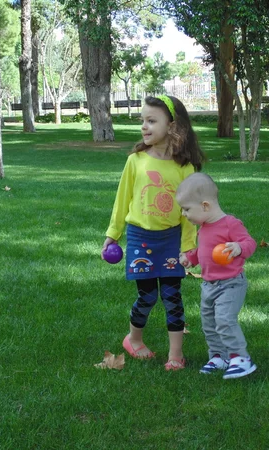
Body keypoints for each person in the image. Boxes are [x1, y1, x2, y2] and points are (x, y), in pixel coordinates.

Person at [102, 95, 205, 371]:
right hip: (140, 238)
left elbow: (189, 214)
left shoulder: (185, 167)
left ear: (172, 126)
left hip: (171, 240)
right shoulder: (136, 161)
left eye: (151, 121)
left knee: (173, 298)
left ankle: (176, 355)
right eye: (142, 121)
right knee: (147, 296)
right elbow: (121, 200)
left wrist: (188, 247)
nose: (144, 127)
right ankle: (133, 340)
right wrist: (113, 234)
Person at [176, 173, 258, 379]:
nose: (184, 214)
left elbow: (250, 243)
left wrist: (239, 247)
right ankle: (218, 357)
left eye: (187, 209)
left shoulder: (230, 223)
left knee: (224, 319)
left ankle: (241, 358)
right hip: (209, 285)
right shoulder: (203, 228)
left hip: (231, 283)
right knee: (209, 323)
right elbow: (204, 250)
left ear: (205, 206)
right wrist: (190, 258)